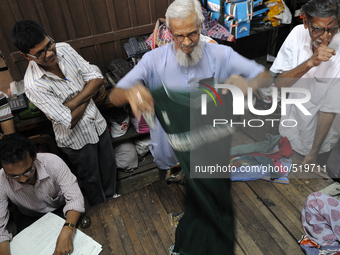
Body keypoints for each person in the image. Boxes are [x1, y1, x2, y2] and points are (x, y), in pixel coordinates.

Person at [109, 0, 271, 253]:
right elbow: (115, 95)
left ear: (201, 27)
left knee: (209, 211)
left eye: (192, 33)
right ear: (168, 33)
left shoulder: (221, 55)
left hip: (209, 154)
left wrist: (247, 85)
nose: (186, 42)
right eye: (178, 36)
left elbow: (263, 76)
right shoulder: (153, 61)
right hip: (170, 154)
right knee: (185, 208)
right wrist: (132, 93)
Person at [11, 20, 117, 206]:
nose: (50, 53)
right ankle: (103, 208)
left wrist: (74, 101)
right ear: (27, 56)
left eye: (49, 44)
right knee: (90, 178)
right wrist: (88, 91)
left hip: (97, 123)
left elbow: (97, 76)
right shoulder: (34, 84)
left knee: (108, 166)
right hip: (76, 140)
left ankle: (112, 197)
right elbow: (69, 120)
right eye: (41, 53)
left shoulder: (65, 49)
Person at [270, 0, 340, 168]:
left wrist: (313, 155)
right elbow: (280, 84)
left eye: (332, 28)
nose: (325, 36)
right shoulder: (296, 34)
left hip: (320, 139)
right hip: (290, 125)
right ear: (306, 22)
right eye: (317, 29)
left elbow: (328, 110)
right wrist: (309, 63)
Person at [0, 133, 85, 255]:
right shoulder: (1, 180)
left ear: (34, 156)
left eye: (27, 171)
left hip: (61, 210)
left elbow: (75, 199)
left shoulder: (53, 163)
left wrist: (67, 230)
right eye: (14, 176)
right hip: (30, 217)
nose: (23, 179)